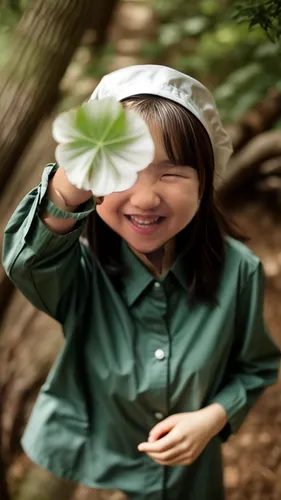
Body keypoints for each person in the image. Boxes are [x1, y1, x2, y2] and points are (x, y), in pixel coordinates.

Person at [2, 65, 280, 500]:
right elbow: (29, 262)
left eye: (171, 174)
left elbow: (256, 367)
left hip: (187, 477)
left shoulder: (238, 271)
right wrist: (73, 174)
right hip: (85, 462)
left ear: (205, 183)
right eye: (123, 172)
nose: (146, 198)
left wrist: (213, 417)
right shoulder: (79, 268)